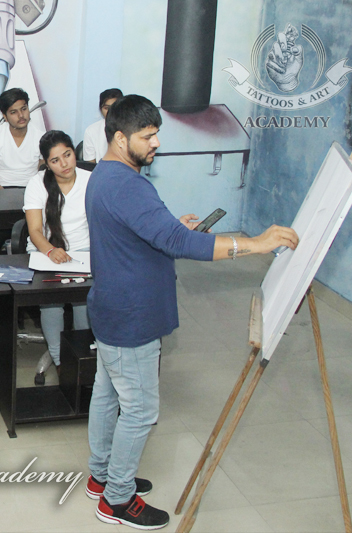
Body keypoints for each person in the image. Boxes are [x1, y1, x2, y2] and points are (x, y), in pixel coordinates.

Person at [84, 94, 299, 530]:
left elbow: (143, 232)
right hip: (132, 315)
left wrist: (169, 228)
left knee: (107, 395)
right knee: (139, 409)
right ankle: (116, 500)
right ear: (121, 139)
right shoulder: (128, 185)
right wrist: (256, 244)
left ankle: (102, 475)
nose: (156, 143)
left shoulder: (104, 174)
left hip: (111, 307)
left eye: (156, 133)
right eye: (148, 136)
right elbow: (180, 244)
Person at [23, 130, 91, 379]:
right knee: (52, 304)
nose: (64, 164)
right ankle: (60, 360)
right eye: (55, 160)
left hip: (83, 252)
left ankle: (81, 357)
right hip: (46, 252)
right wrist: (51, 250)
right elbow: (34, 230)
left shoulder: (91, 180)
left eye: (68, 155)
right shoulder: (37, 183)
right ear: (47, 164)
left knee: (84, 303)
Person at [0, 87, 44, 251]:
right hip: (1, 193)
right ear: (4, 115)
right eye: (14, 112)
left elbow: (43, 175)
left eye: (24, 109)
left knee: (29, 238)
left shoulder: (42, 138)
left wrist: (30, 197)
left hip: (31, 192)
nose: (21, 115)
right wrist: (9, 199)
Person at [82, 88, 123, 164]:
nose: (110, 112)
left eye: (114, 107)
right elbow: (90, 165)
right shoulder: (91, 131)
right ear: (100, 110)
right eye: (106, 108)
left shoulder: (131, 128)